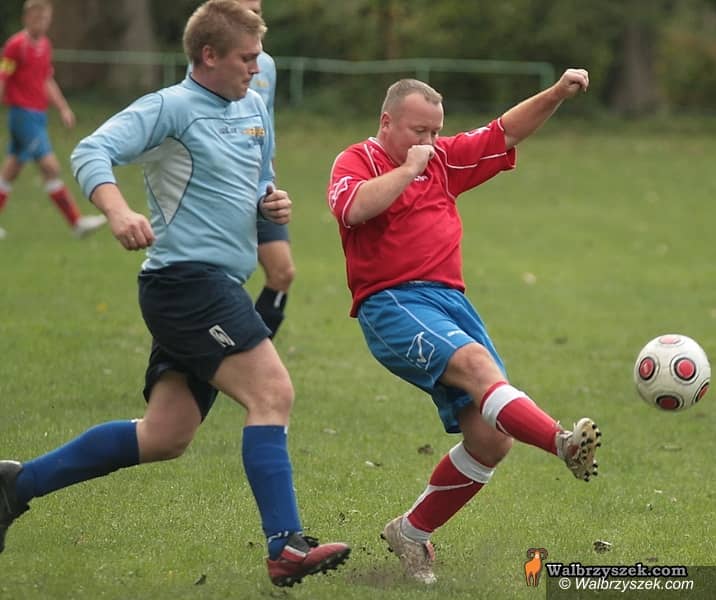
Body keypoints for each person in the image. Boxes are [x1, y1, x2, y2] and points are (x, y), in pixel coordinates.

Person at [0, 0, 349, 588]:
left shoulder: (252, 106)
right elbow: (91, 150)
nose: (256, 67)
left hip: (216, 285)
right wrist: (118, 212)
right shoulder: (171, 107)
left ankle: (16, 485)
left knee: (164, 435)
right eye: (246, 58)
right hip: (186, 285)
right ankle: (285, 546)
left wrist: (272, 204)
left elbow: (260, 180)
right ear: (208, 55)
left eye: (258, 56)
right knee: (272, 393)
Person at [327, 72, 602, 584]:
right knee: (477, 365)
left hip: (452, 304)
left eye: (436, 131)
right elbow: (355, 207)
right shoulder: (357, 160)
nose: (430, 142)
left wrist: (556, 94)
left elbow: (505, 132)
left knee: (491, 441)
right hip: (393, 302)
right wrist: (409, 169)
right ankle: (563, 443)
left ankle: (410, 532)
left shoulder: (444, 159)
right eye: (419, 131)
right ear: (387, 122)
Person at [186, 0, 294, 338]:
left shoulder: (267, 66)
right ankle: (229, 352)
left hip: (259, 187)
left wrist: (268, 176)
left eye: (257, 11)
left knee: (283, 272)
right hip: (220, 189)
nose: (252, 17)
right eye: (244, 10)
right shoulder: (209, 67)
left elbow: (265, 124)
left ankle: (252, 350)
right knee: (221, 280)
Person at [0, 0, 106, 240]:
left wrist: (63, 107)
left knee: (11, 170)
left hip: (38, 115)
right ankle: (76, 223)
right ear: (26, 18)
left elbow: (46, 80)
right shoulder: (15, 45)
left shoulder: (45, 45)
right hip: (22, 114)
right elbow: (3, 76)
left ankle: (77, 224)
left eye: (45, 19)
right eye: (37, 18)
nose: (41, 23)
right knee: (51, 167)